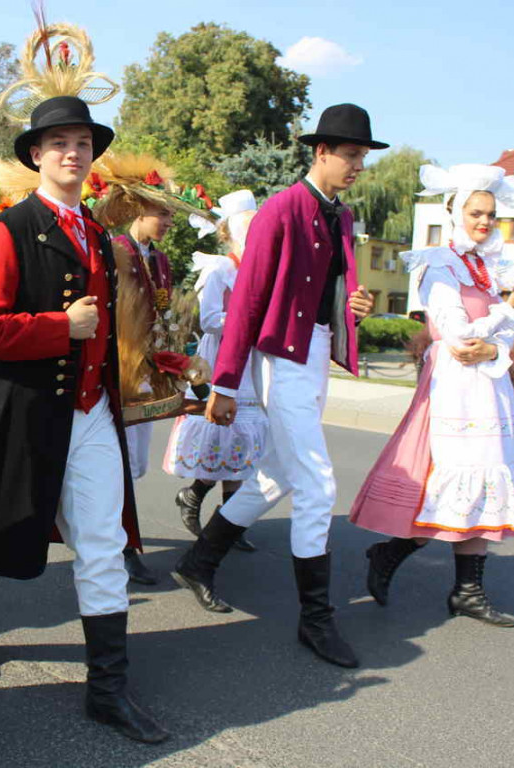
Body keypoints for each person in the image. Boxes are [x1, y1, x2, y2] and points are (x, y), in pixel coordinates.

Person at [0, 95, 168, 744]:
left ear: (93, 155)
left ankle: (108, 689)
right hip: (24, 412)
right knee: (0, 538)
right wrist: (64, 326)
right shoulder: (7, 230)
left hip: (89, 413)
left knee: (103, 545)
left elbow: (117, 328)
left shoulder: (97, 232)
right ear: (36, 154)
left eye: (82, 142)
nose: (71, 151)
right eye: (58, 141)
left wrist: (150, 359)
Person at [171, 103, 382, 669]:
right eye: (352, 154)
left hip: (312, 351)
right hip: (280, 356)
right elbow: (247, 303)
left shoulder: (341, 216)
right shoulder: (280, 211)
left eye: (363, 155)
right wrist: (226, 384)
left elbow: (328, 292)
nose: (359, 163)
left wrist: (351, 306)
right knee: (317, 483)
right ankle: (316, 619)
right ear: (322, 151)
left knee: (280, 474)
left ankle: (199, 562)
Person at [350, 164, 514, 626]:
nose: (485, 222)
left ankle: (467, 592)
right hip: (453, 387)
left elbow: (502, 336)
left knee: (486, 483)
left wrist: (498, 341)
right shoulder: (439, 264)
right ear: (455, 212)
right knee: (446, 480)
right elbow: (456, 337)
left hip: (490, 384)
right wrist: (505, 312)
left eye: (492, 215)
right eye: (476, 212)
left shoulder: (488, 267)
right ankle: (390, 554)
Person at [165, 190, 266, 551]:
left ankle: (228, 523)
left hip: (250, 360)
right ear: (232, 231)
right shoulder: (220, 268)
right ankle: (193, 496)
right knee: (222, 432)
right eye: (250, 226)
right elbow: (208, 321)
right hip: (222, 356)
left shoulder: (259, 270)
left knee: (240, 439)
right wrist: (248, 321)